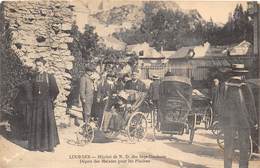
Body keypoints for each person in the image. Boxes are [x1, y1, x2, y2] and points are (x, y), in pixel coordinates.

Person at [218, 64, 257, 168]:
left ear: (232, 73)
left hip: (228, 120)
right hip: (243, 120)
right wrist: (255, 121)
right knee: (244, 147)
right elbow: (251, 105)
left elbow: (219, 103)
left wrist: (221, 119)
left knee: (228, 146)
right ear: (242, 74)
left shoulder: (224, 85)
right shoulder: (245, 86)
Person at [28, 57, 60, 152]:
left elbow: (55, 90)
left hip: (46, 105)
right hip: (36, 105)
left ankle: (48, 146)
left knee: (47, 124)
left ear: (44, 66)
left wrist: (50, 99)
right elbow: (31, 90)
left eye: (40, 66)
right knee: (36, 124)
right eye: (37, 65)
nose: (38, 67)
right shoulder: (34, 77)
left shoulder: (49, 77)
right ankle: (36, 145)